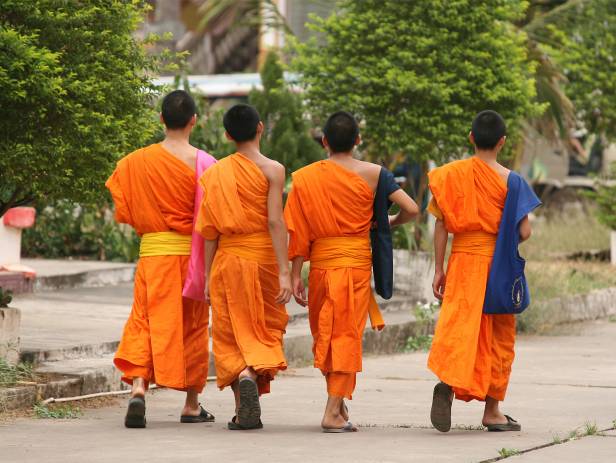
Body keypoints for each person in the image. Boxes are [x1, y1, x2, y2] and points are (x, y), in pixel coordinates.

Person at [284, 111, 419, 432]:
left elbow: (298, 232)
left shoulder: (304, 177)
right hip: (355, 267)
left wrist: (293, 275)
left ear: (325, 142)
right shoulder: (376, 174)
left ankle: (337, 402)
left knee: (327, 335)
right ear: (358, 140)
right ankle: (333, 411)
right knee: (345, 335)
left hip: (320, 268)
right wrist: (388, 221)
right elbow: (412, 209)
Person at [106, 90, 215, 428]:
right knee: (194, 326)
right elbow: (214, 218)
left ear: (161, 119)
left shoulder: (134, 162)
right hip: (192, 258)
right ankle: (191, 403)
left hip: (154, 256)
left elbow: (122, 212)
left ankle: (139, 387)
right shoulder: (206, 164)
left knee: (144, 321)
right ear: (194, 121)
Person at [427, 110, 534, 433]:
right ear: (503, 142)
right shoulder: (512, 182)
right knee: (499, 335)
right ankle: (492, 411)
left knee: (460, 327)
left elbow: (441, 225)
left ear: (471, 138)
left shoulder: (450, 175)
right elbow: (525, 232)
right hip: (497, 265)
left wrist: (439, 269)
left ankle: (448, 381)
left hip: (461, 262)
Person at [196, 103, 291, 431]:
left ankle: (241, 408)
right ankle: (252, 372)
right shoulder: (273, 170)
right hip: (263, 257)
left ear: (226, 135)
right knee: (263, 327)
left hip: (228, 260)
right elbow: (276, 221)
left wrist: (207, 276)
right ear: (261, 128)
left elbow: (210, 232)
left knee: (231, 332)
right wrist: (285, 271)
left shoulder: (216, 173)